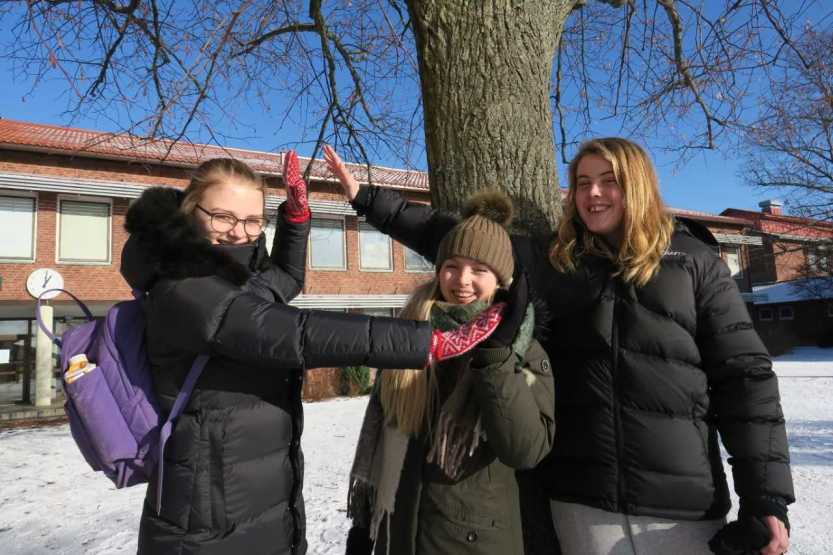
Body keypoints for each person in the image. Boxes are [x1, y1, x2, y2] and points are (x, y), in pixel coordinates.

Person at [324, 141, 794, 555]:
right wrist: (369, 201)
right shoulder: (558, 263)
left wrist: (765, 496)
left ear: (640, 185)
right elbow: (462, 242)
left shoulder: (694, 262)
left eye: (609, 181)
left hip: (679, 505)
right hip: (579, 500)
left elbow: (744, 377)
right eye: (582, 182)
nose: (592, 194)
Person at [119, 153, 507, 555]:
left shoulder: (234, 276)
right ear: (188, 210)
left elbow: (283, 280)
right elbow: (295, 333)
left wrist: (296, 216)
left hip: (257, 494)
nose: (239, 233)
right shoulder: (183, 285)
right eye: (223, 217)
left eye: (252, 221)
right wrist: (429, 342)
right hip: (205, 515)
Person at [345, 191, 555, 555]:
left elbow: (525, 449)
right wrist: (364, 535)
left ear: (502, 280)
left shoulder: (522, 348)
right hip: (399, 531)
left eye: (479, 269)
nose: (462, 280)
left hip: (474, 542)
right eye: (452, 266)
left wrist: (495, 358)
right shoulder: (410, 336)